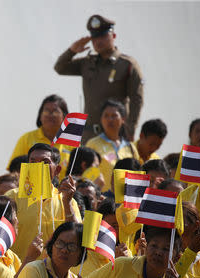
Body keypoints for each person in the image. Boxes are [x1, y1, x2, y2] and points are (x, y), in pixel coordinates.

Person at [54, 14, 143, 143]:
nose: (98, 41)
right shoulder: (87, 63)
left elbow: (137, 100)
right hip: (89, 135)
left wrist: (130, 129)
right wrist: (72, 51)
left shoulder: (126, 65)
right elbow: (60, 68)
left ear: (113, 36)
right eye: (94, 38)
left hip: (114, 134)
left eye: (103, 36)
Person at [5, 143, 82, 260]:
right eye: (33, 162)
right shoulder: (13, 196)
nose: (39, 167)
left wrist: (67, 203)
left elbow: (77, 237)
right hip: (18, 271)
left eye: (45, 163)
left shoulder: (67, 200)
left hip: (53, 274)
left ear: (57, 170)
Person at [86, 225, 182, 278]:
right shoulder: (121, 265)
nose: (158, 252)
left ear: (177, 258)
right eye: (154, 246)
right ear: (146, 246)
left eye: (166, 249)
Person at [15, 222, 87, 278]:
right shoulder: (33, 271)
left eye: (71, 246)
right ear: (52, 245)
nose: (64, 250)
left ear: (81, 254)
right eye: (60, 243)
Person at [8, 94, 74, 179]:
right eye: (46, 111)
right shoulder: (26, 138)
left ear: (64, 116)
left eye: (55, 111)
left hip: (63, 190)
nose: (50, 115)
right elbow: (15, 169)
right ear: (40, 115)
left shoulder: (72, 142)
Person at [0, 196, 43, 278]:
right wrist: (29, 258)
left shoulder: (10, 255)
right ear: (4, 222)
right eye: (14, 215)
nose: (17, 220)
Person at [86, 100, 138, 192]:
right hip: (102, 199)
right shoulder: (93, 144)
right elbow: (87, 173)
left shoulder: (130, 147)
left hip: (127, 199)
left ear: (123, 119)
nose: (110, 119)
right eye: (106, 116)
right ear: (101, 119)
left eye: (114, 116)